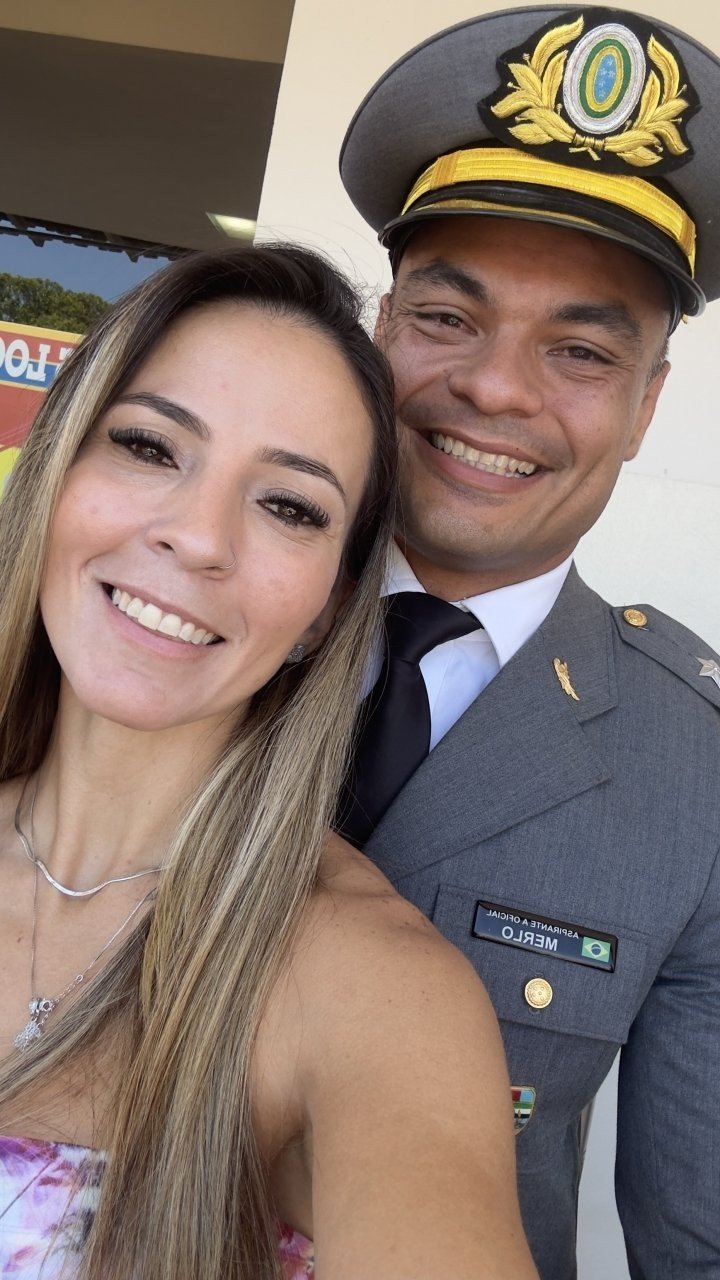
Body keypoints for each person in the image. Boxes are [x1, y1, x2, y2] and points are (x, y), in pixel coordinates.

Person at [0, 244, 538, 1280]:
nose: (199, 538)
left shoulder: (374, 988)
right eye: (149, 445)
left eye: (289, 505)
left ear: (327, 610)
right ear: (56, 470)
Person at [338, 7, 720, 1278]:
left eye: (580, 350)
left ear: (646, 405)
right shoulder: (176, 626)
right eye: (449, 318)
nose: (498, 388)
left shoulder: (696, 769)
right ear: (382, 327)